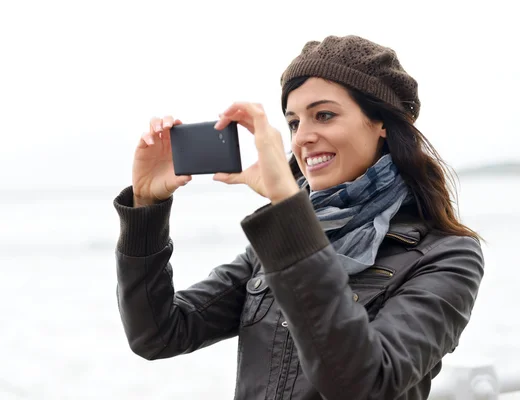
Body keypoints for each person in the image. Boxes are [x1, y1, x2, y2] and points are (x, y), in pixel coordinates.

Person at [113, 35, 484, 400]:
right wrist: (146, 207)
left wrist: (287, 207)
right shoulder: (273, 246)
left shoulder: (447, 256)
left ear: (382, 124)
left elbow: (364, 383)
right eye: (293, 123)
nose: (302, 138)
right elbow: (158, 335)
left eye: (324, 115)